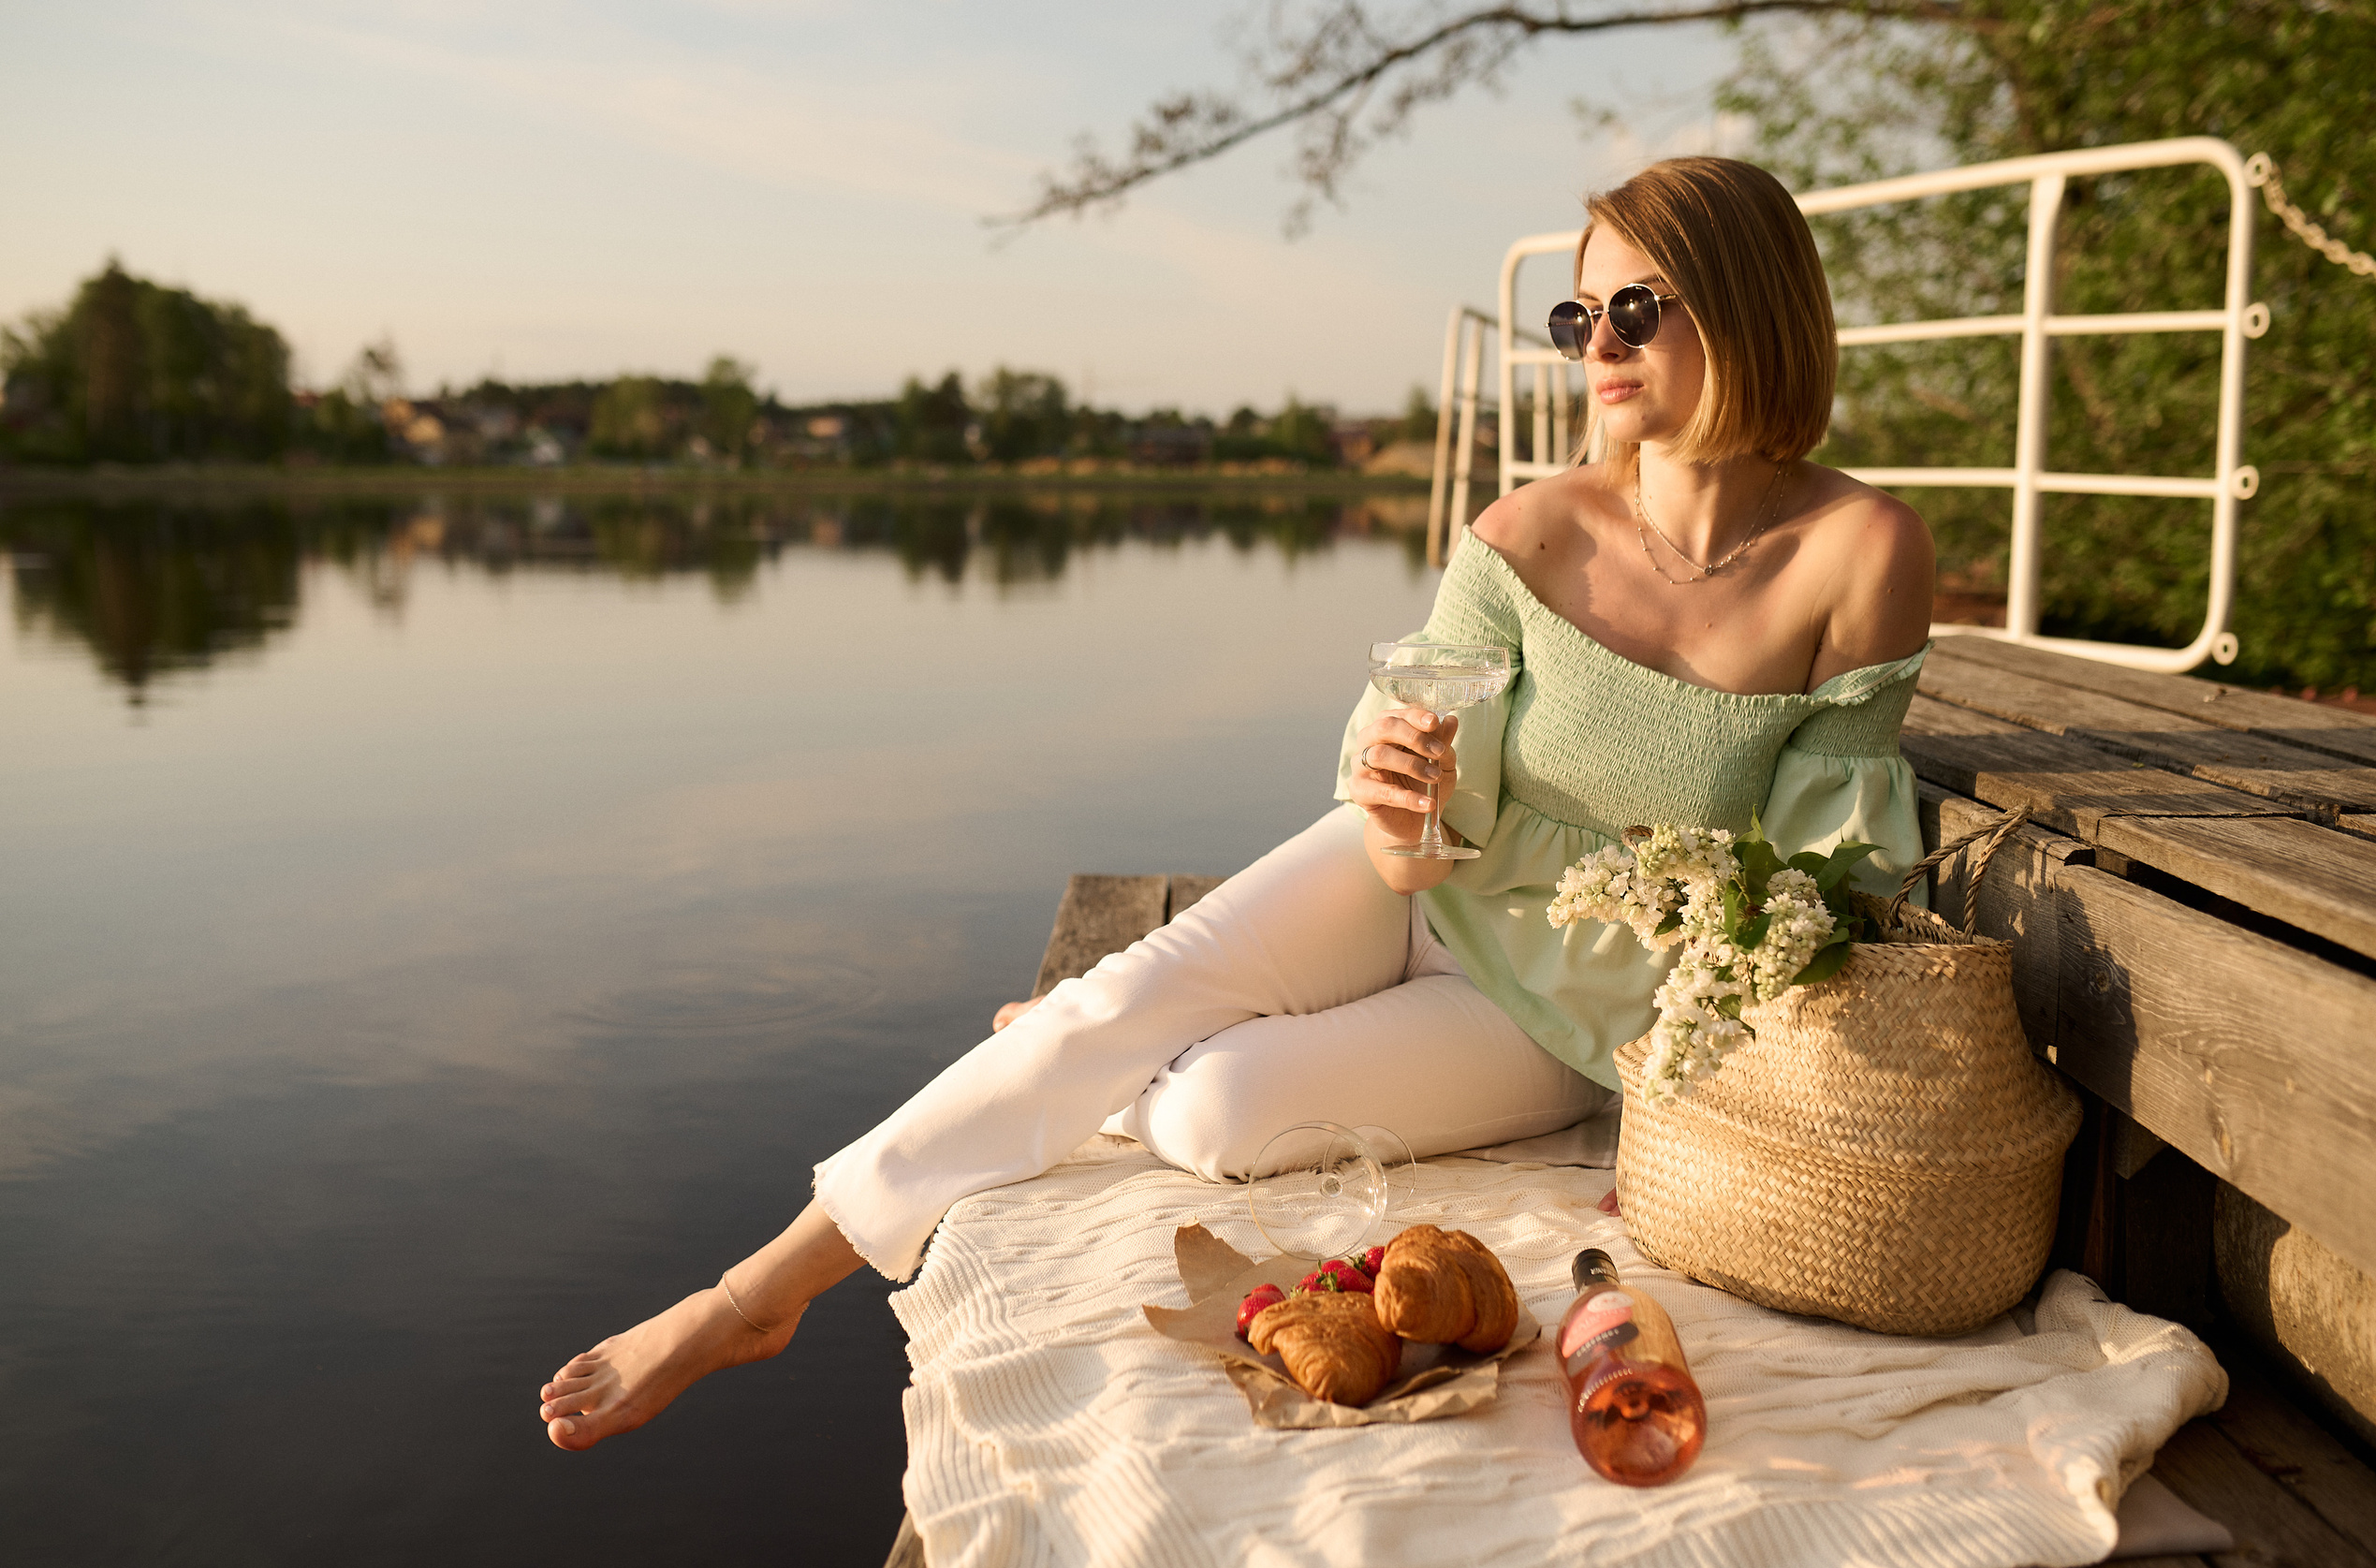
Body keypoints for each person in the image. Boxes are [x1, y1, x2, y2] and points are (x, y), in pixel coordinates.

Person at [535, 155, 1933, 1451]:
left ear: (1749, 305)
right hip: (1426, 895)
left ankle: (1114, 1061)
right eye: (1579, 319)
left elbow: (1823, 886)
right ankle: (756, 1294)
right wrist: (1396, 803)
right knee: (1106, 1003)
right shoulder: (1528, 530)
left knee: (1210, 1115)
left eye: (1638, 306)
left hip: (1561, 1011)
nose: (1601, 346)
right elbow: (1411, 858)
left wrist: (1701, 1094)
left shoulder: (1857, 553)